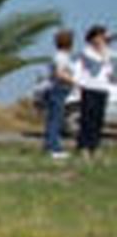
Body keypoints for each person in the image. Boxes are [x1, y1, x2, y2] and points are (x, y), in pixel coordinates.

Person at [75, 25, 113, 157]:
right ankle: (84, 146)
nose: (103, 39)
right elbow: (96, 66)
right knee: (87, 119)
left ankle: (95, 146)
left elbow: (109, 69)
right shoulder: (87, 52)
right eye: (100, 36)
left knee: (98, 120)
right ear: (93, 38)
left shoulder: (108, 52)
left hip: (102, 89)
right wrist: (103, 51)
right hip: (89, 88)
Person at [42, 29, 78, 158]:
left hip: (58, 89)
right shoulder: (61, 57)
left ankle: (49, 146)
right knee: (55, 120)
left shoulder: (61, 56)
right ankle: (54, 148)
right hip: (58, 89)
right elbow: (59, 73)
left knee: (53, 119)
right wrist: (75, 81)